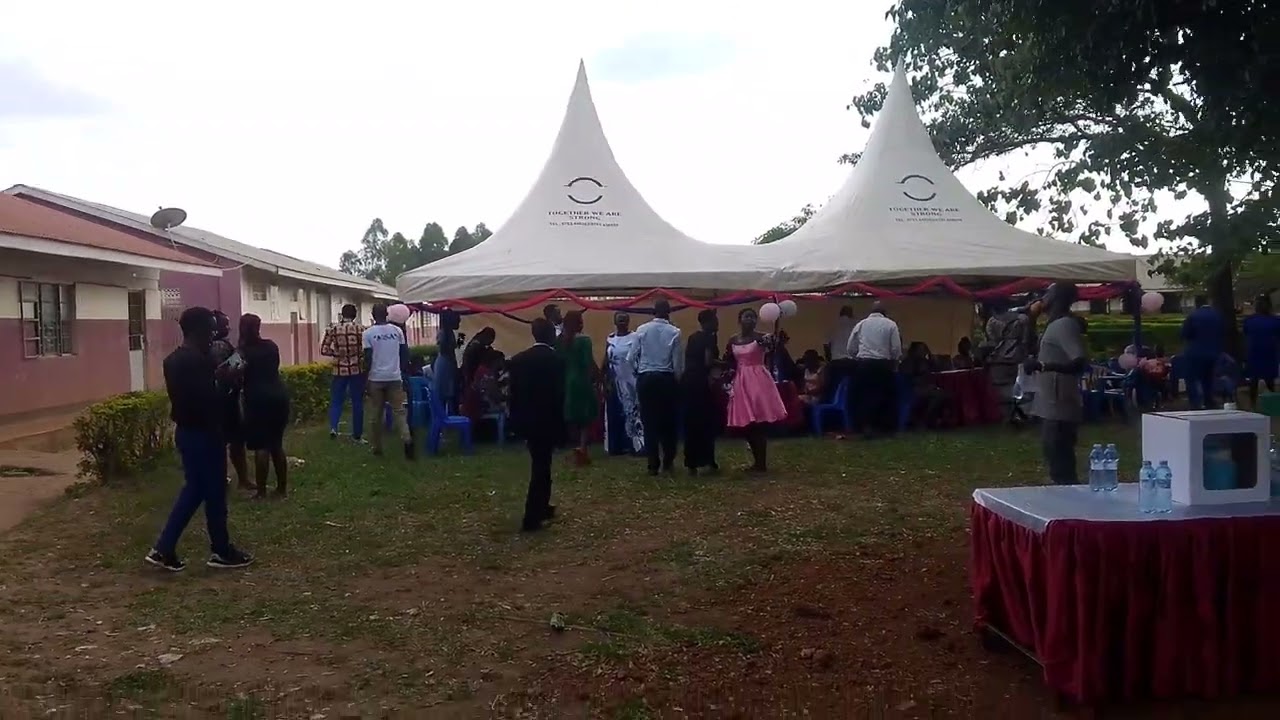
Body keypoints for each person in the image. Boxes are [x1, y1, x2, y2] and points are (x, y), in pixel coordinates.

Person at [145, 306, 253, 572]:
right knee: (212, 493)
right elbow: (209, 401)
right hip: (205, 433)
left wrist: (219, 378)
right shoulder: (199, 362)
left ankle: (166, 548)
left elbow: (191, 396)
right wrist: (227, 381)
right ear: (199, 330)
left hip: (186, 432)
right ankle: (218, 551)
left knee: (198, 490)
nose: (213, 336)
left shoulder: (173, 360)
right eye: (211, 330)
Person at [1024, 283, 1087, 485]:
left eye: (1048, 294)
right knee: (1054, 458)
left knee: (1061, 463)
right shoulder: (1054, 324)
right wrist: (1031, 319)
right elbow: (1030, 348)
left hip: (1060, 403)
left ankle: (1070, 500)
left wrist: (1043, 366)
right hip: (1050, 402)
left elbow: (1079, 362)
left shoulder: (1064, 325)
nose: (1043, 298)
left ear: (1057, 298)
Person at [508, 318, 566, 532]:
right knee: (541, 467)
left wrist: (515, 420)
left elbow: (513, 395)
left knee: (542, 463)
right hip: (548, 420)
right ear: (551, 335)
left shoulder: (519, 360)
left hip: (527, 420)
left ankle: (543, 506)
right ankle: (532, 517)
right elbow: (560, 395)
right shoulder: (557, 360)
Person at [725, 308, 789, 472]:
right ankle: (756, 461)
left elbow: (773, 350)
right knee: (747, 423)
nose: (750, 320)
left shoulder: (761, 338)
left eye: (753, 317)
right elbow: (730, 361)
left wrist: (778, 342)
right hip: (741, 381)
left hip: (758, 380)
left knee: (758, 422)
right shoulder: (733, 340)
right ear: (739, 320)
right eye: (747, 316)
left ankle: (761, 463)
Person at [238, 313, 291, 498]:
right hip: (279, 396)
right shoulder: (271, 346)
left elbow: (230, 373)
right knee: (276, 444)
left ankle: (261, 492)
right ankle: (282, 489)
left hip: (257, 399)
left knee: (261, 446)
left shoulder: (242, 352)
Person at [631, 299, 683, 476]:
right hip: (665, 378)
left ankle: (652, 464)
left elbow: (630, 357)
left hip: (646, 377)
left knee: (649, 422)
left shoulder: (641, 329)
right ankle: (668, 460)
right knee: (668, 422)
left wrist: (638, 372)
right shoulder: (675, 332)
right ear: (669, 312)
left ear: (653, 311)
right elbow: (677, 363)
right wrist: (677, 383)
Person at [363, 303, 414, 459]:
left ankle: (377, 447)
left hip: (376, 378)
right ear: (387, 314)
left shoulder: (368, 334)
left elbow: (368, 358)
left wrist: (366, 378)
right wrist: (401, 371)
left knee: (376, 415)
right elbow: (404, 354)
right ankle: (407, 440)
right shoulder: (397, 331)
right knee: (399, 412)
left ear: (373, 315)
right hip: (394, 377)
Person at [847, 302, 903, 438]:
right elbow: (896, 348)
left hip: (864, 364)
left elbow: (850, 347)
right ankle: (884, 428)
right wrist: (894, 361)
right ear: (884, 312)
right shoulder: (891, 324)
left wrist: (858, 357)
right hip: (883, 364)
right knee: (885, 396)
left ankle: (865, 426)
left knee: (864, 396)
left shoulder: (861, 324)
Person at [210, 311, 251, 489]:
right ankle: (239, 479)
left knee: (230, 442)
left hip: (225, 398)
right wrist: (238, 370)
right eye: (225, 324)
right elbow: (224, 373)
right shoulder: (219, 346)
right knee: (232, 441)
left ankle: (235, 479)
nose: (228, 328)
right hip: (225, 399)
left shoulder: (217, 345)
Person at [682, 309, 722, 475]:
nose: (717, 323)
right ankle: (708, 459)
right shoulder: (709, 337)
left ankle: (691, 462)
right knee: (706, 422)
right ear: (708, 322)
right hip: (701, 382)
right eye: (715, 320)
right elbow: (708, 361)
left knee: (692, 423)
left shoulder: (693, 337)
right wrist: (725, 363)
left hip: (688, 382)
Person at [321, 303, 366, 442]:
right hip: (356, 369)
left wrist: (337, 353)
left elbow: (324, 350)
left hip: (339, 370)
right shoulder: (361, 330)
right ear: (355, 315)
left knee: (336, 400)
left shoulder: (333, 329)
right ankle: (357, 435)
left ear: (342, 314)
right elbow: (365, 349)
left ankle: (334, 428)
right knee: (357, 401)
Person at [558, 311, 598, 465]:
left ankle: (575, 447)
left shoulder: (561, 341)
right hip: (581, 380)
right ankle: (582, 448)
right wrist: (597, 378)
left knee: (573, 415)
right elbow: (588, 362)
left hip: (568, 380)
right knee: (585, 416)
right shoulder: (584, 340)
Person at [604, 312, 644, 456]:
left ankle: (635, 445)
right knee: (615, 413)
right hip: (615, 380)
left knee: (632, 412)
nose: (621, 321)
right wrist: (605, 379)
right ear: (615, 321)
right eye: (619, 319)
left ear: (628, 321)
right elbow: (606, 360)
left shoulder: (635, 337)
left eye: (624, 319)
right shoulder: (610, 338)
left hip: (631, 380)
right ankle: (616, 446)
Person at [1180, 299, 1225, 409]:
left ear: (1197, 305)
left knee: (1191, 378)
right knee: (1208, 378)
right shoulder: (1217, 316)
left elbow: (1185, 333)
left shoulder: (1193, 316)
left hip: (1195, 352)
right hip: (1213, 352)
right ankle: (1209, 401)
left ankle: (1195, 402)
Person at [1243, 294, 1279, 407]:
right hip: (1270, 352)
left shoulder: (1249, 321)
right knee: (1270, 379)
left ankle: (1253, 403)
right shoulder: (1275, 321)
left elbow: (1246, 334)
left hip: (1254, 352)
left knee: (1253, 380)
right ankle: (1272, 403)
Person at [903, 342, 951, 429]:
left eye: (924, 349)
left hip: (926, 387)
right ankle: (926, 420)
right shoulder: (909, 362)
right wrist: (924, 385)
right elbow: (908, 378)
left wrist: (931, 357)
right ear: (915, 350)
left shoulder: (925, 361)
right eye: (921, 349)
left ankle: (936, 420)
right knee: (938, 396)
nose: (923, 351)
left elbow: (938, 369)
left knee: (946, 395)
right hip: (914, 389)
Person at [825, 306, 858, 415]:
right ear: (851, 314)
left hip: (837, 362)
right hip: (852, 362)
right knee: (852, 390)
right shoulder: (856, 325)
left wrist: (829, 360)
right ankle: (851, 412)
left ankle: (834, 415)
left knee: (835, 390)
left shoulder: (833, 325)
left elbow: (826, 345)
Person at [433, 310, 461, 412]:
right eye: (457, 320)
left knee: (448, 392)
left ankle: (448, 415)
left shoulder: (448, 333)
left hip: (447, 364)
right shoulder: (444, 333)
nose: (459, 321)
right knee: (445, 392)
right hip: (445, 365)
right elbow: (445, 349)